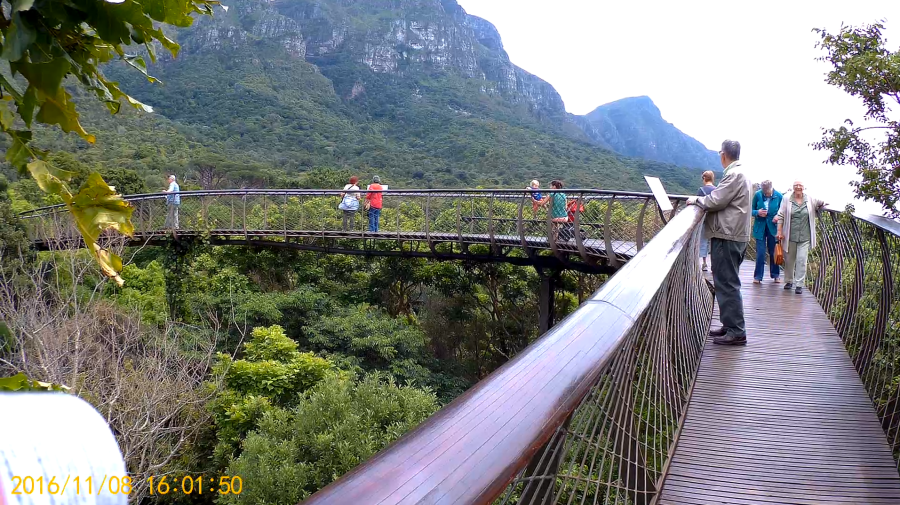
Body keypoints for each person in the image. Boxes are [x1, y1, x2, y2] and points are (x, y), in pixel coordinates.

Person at [687, 140, 753, 346]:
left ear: (723, 154)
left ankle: (736, 331)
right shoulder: (742, 172)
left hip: (728, 235)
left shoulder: (734, 174)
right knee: (726, 281)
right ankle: (729, 325)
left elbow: (716, 200)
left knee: (727, 282)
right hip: (733, 234)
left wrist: (696, 200)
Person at [775, 180, 826, 294]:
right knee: (789, 260)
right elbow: (781, 214)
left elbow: (822, 202)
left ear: (804, 187)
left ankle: (799, 284)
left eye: (800, 185)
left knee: (802, 260)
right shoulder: (787, 198)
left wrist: (822, 206)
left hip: (805, 235)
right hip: (790, 235)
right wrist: (779, 231)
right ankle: (789, 281)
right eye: (796, 185)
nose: (798, 187)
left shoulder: (810, 198)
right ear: (793, 187)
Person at [751, 180, 783, 284]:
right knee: (760, 253)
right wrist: (757, 212)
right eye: (764, 192)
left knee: (774, 252)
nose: (766, 194)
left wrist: (778, 216)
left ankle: (776, 275)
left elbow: (783, 210)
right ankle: (758, 277)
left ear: (771, 188)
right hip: (760, 228)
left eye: (767, 192)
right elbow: (750, 210)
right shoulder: (757, 195)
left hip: (773, 228)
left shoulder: (779, 196)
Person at [697, 171, 716, 272]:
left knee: (703, 241)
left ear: (704, 178)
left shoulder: (701, 190)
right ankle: (714, 264)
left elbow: (699, 205)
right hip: (715, 220)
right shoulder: (717, 190)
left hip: (704, 219)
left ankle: (704, 263)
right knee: (714, 243)